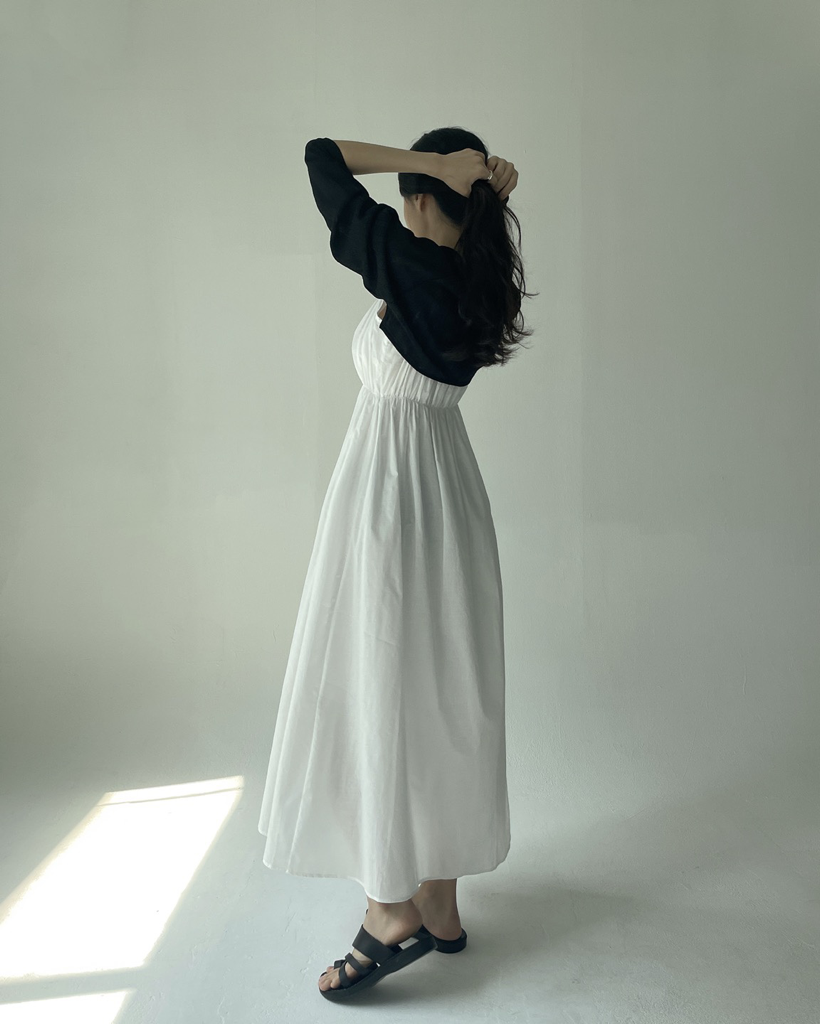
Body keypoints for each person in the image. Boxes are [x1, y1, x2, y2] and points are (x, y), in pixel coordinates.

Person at [257, 129, 535, 1000]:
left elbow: (321, 156)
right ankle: (440, 902)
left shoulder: (412, 268)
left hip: (389, 496)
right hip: (447, 489)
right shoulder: (480, 279)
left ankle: (390, 911)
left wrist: (441, 168)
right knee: (437, 686)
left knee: (377, 681)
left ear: (419, 198)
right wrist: (470, 183)